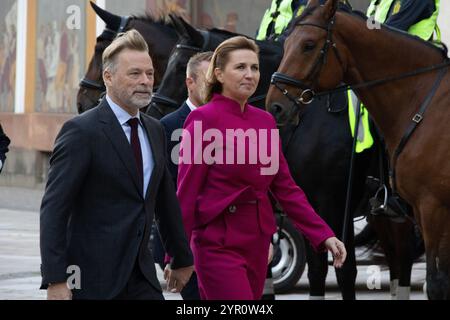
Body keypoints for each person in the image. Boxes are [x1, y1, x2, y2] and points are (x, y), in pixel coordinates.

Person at [176, 36, 347, 300]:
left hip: (258, 245)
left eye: (254, 68)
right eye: (240, 67)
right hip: (216, 246)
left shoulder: (265, 122)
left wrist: (323, 234)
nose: (250, 75)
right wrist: (177, 255)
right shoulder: (202, 119)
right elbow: (186, 193)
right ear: (219, 74)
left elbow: (286, 188)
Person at [39, 30, 193, 300]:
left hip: (142, 277)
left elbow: (165, 201)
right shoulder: (81, 132)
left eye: (149, 74)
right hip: (91, 280)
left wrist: (181, 257)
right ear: (108, 77)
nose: (146, 82)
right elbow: (54, 209)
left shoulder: (155, 130)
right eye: (135, 74)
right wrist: (55, 278)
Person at [154, 51, 213, 300]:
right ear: (190, 82)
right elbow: (163, 191)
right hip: (184, 245)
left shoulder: (232, 125)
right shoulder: (166, 126)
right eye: (209, 81)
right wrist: (173, 252)